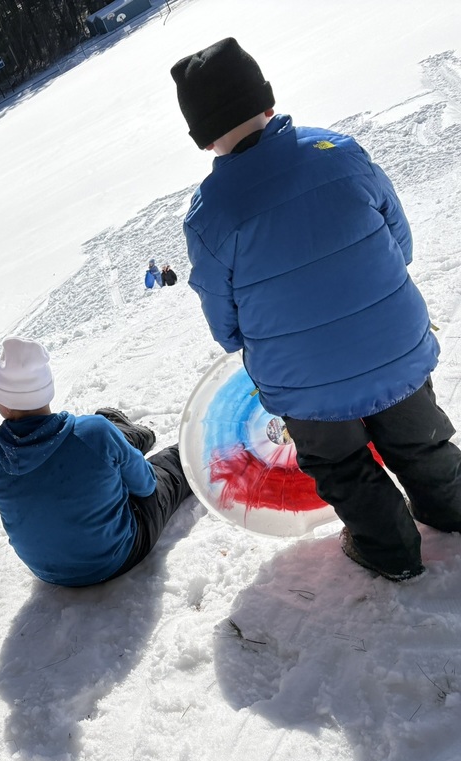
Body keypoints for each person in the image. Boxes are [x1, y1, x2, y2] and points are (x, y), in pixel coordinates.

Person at [170, 37, 461, 581]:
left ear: (203, 138)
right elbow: (401, 244)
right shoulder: (341, 153)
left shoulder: (209, 218)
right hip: (396, 350)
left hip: (305, 385)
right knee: (422, 442)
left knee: (342, 466)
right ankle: (452, 509)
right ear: (267, 102)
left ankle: (391, 550)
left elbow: (225, 323)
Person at [0, 337, 193, 587]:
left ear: (2, 405)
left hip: (47, 571)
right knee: (170, 465)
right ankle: (198, 444)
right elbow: (146, 486)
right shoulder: (95, 433)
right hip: (116, 557)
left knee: (101, 447)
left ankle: (127, 437)